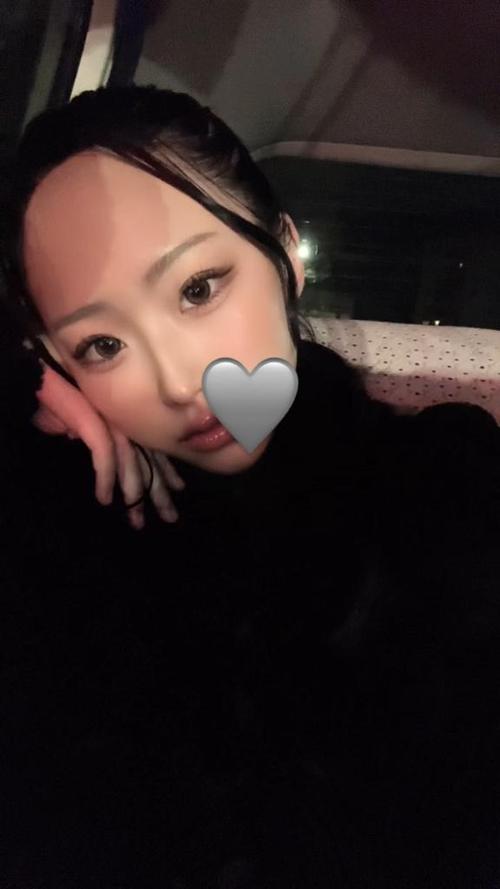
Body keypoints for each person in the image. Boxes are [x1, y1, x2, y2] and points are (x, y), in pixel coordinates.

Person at [0, 84, 499, 889]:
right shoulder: (61, 540)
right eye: (100, 345)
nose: (178, 382)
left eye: (198, 289)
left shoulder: (446, 484)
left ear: (285, 255)